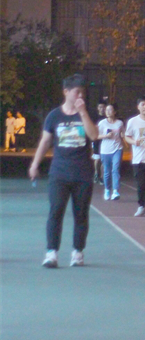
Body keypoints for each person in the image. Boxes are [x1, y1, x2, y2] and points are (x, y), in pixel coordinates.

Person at [29, 74, 99, 268]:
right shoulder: (54, 116)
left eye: (83, 92)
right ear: (66, 92)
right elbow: (45, 141)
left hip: (82, 173)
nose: (80, 96)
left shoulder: (87, 113)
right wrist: (35, 164)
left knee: (81, 213)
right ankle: (51, 253)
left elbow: (94, 135)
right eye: (77, 92)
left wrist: (82, 112)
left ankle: (78, 252)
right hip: (59, 173)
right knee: (56, 211)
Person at [97, 103, 124, 201]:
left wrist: (124, 136)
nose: (108, 112)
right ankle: (107, 189)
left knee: (115, 169)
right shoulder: (102, 123)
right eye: (106, 110)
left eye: (110, 110)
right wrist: (105, 136)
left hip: (117, 148)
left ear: (115, 112)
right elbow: (96, 135)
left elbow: (123, 133)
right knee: (107, 172)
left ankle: (115, 191)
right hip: (105, 150)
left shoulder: (119, 123)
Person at [92, 101, 106, 183]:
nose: (102, 109)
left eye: (103, 107)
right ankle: (96, 173)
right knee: (97, 158)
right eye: (100, 107)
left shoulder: (107, 117)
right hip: (97, 139)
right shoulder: (94, 117)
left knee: (103, 159)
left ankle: (101, 176)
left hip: (105, 140)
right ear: (98, 108)